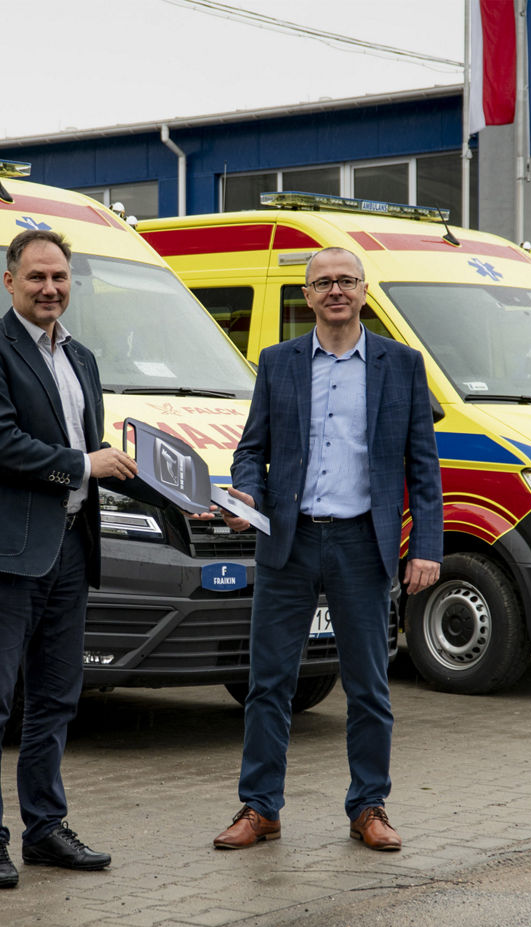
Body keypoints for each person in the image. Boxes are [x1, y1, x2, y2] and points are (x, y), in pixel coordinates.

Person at [213, 246, 443, 853]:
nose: (335, 290)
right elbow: (250, 449)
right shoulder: (278, 362)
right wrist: (248, 497)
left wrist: (425, 546)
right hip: (288, 541)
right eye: (323, 283)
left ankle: (369, 806)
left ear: (365, 291)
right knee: (269, 682)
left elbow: (423, 467)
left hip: (363, 544)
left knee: (368, 685)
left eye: (346, 280)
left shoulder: (403, 365)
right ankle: (260, 808)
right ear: (307, 296)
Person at [0, 229, 150, 889]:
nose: (50, 288)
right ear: (9, 281)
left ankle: (44, 829)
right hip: (6, 556)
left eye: (60, 277)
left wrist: (165, 484)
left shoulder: (82, 357)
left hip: (68, 550)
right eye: (36, 277)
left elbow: (87, 450)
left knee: (57, 699)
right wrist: (82, 464)